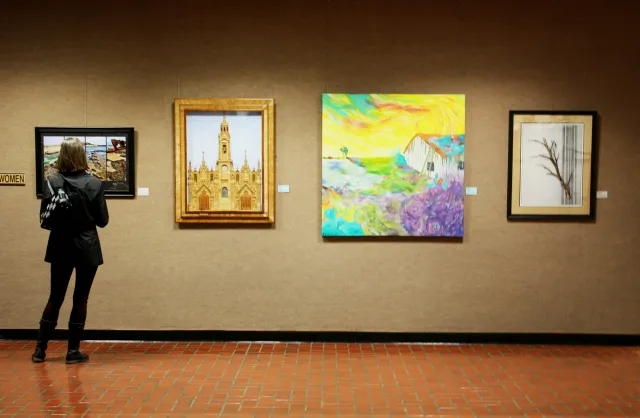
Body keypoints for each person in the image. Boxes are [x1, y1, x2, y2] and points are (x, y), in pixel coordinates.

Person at [32, 137, 109, 364]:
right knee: (80, 298)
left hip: (60, 245)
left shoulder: (52, 182)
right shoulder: (94, 184)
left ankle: (40, 350)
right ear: (82, 156)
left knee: (55, 297)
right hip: (87, 246)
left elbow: (45, 217)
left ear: (62, 155)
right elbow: (103, 221)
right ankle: (73, 351)